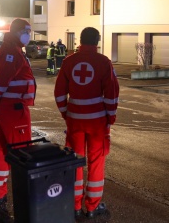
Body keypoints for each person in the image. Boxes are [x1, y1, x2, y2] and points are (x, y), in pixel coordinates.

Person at [54, 27, 119, 219]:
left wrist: (66, 113)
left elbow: (59, 93)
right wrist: (110, 118)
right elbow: (111, 94)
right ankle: (92, 207)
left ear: (80, 41)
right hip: (97, 122)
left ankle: (74, 206)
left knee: (75, 162)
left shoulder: (68, 61)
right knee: (96, 162)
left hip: (75, 120)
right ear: (97, 41)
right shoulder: (103, 62)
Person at [0, 18, 36, 214]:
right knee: (22, 153)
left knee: (2, 150)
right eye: (26, 31)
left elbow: (0, 81)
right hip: (14, 111)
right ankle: (26, 199)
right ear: (16, 32)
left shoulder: (13, 49)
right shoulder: (12, 52)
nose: (28, 35)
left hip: (9, 109)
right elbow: (2, 81)